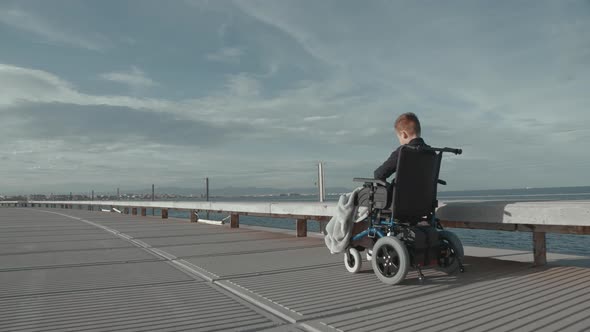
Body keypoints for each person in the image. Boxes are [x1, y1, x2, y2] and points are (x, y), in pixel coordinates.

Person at [374, 112, 429, 182]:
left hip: (401, 192)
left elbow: (379, 174)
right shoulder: (431, 152)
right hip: (425, 193)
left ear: (404, 134)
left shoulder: (403, 151)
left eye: (399, 137)